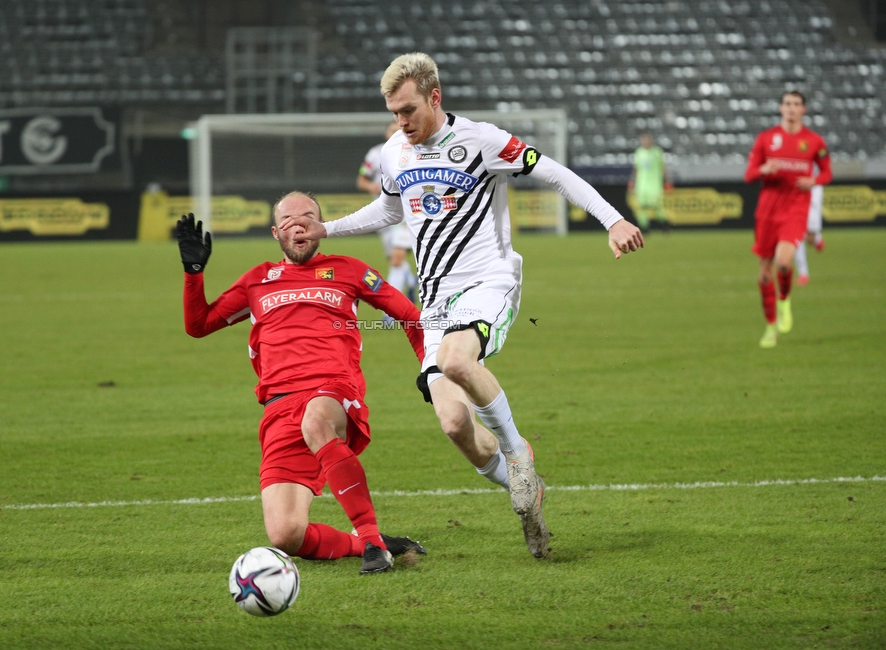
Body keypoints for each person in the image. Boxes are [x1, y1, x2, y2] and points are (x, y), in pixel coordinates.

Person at [280, 52, 644, 559]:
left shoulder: (481, 140)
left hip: (488, 280)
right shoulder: (394, 151)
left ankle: (520, 455)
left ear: (435, 97)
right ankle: (528, 495)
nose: (401, 122)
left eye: (408, 110)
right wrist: (329, 227)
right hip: (436, 299)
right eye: (393, 113)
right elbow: (389, 207)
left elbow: (556, 173)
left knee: (456, 360)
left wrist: (613, 220)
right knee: (455, 425)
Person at [177, 192, 427, 574]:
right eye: (289, 219)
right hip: (278, 406)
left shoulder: (350, 269)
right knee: (286, 534)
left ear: (320, 229)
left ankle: (372, 540)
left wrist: (432, 366)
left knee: (316, 421)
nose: (298, 223)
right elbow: (198, 326)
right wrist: (194, 273)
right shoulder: (257, 280)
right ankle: (366, 544)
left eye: (307, 216)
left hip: (332, 388)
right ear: (276, 232)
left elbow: (410, 316)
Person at [744, 91, 832, 348]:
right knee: (763, 274)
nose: (791, 108)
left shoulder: (814, 141)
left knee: (784, 262)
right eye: (787, 104)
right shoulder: (766, 139)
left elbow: (827, 173)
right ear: (781, 108)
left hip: (795, 209)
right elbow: (749, 175)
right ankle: (770, 325)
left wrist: (814, 180)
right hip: (767, 211)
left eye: (796, 104)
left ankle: (784, 300)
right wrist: (763, 169)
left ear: (804, 109)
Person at [357, 121, 419, 322]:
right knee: (394, 259)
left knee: (397, 258)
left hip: (408, 213)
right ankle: (410, 281)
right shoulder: (376, 154)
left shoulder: (416, 153)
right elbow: (361, 180)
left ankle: (389, 313)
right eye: (392, 130)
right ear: (386, 133)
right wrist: (372, 187)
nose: (395, 133)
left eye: (399, 131)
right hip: (384, 215)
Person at [627, 132, 671, 232]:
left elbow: (663, 167)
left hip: (655, 185)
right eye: (643, 140)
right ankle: (644, 227)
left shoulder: (657, 152)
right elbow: (636, 169)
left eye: (647, 139)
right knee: (641, 206)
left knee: (657, 206)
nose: (645, 142)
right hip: (641, 185)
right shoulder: (639, 152)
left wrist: (667, 180)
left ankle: (664, 224)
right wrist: (632, 182)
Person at [793, 183, 826, 286]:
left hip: (813, 187)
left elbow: (826, 173)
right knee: (796, 234)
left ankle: (816, 239)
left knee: (809, 238)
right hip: (796, 189)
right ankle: (803, 274)